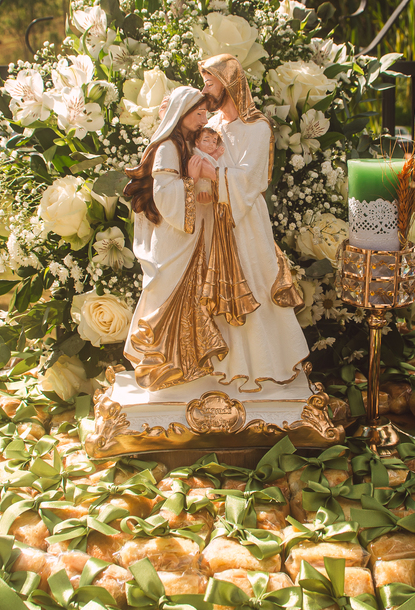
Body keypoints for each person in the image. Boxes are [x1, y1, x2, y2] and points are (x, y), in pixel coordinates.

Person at [190, 53, 310, 392]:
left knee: (254, 284)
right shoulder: (212, 127)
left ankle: (266, 364)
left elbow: (253, 178)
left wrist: (214, 173)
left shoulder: (256, 127)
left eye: (209, 82)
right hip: (215, 218)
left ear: (228, 83)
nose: (205, 89)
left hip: (245, 221)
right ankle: (223, 365)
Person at [122, 87, 227, 391]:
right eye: (198, 113)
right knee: (164, 295)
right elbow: (164, 195)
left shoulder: (185, 144)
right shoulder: (168, 147)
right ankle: (156, 362)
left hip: (186, 235)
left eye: (205, 113)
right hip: (172, 235)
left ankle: (182, 365)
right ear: (182, 113)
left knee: (188, 298)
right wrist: (190, 181)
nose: (203, 118)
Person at [190, 126, 224, 204]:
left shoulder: (206, 154)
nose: (211, 144)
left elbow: (210, 161)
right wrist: (217, 154)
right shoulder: (197, 154)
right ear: (197, 143)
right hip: (201, 187)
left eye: (214, 142)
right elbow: (207, 163)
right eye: (206, 140)